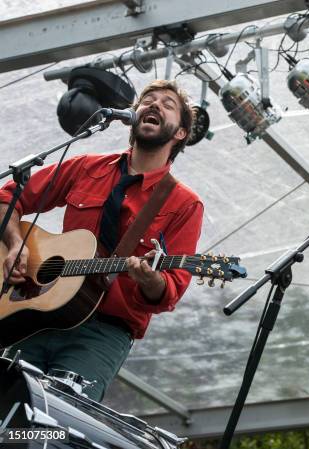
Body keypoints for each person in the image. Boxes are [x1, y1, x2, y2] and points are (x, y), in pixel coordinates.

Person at [0, 79, 204, 402]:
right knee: (6, 420)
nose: (154, 105)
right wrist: (15, 244)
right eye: (148, 100)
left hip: (102, 333)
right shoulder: (86, 168)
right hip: (35, 317)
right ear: (133, 117)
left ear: (180, 133)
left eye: (167, 105)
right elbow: (9, 199)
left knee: (55, 426)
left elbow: (170, 291)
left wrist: (151, 280)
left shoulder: (184, 204)